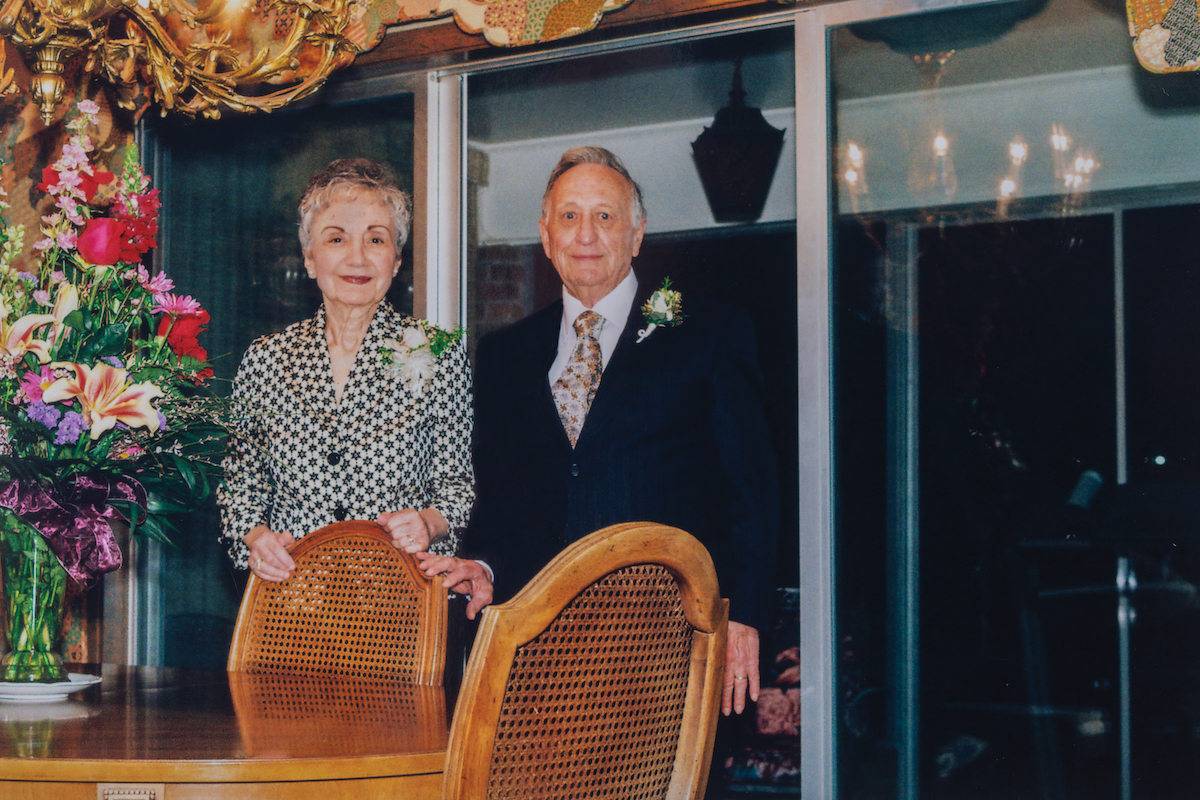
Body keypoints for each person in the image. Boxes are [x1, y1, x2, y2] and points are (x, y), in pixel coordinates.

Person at [417, 146, 779, 715]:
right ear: (545, 233)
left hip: (664, 647)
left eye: (605, 216)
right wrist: (483, 565)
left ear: (637, 236)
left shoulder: (708, 330)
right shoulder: (505, 353)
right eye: (569, 216)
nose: (586, 233)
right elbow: (499, 495)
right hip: (533, 653)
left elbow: (751, 492)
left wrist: (745, 613)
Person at [218, 158, 473, 580]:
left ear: (395, 261)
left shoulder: (439, 354)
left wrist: (429, 522)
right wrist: (256, 538)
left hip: (398, 605)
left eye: (376, 240)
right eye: (336, 239)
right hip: (294, 605)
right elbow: (238, 491)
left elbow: (456, 488)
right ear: (310, 258)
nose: (357, 257)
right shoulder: (266, 359)